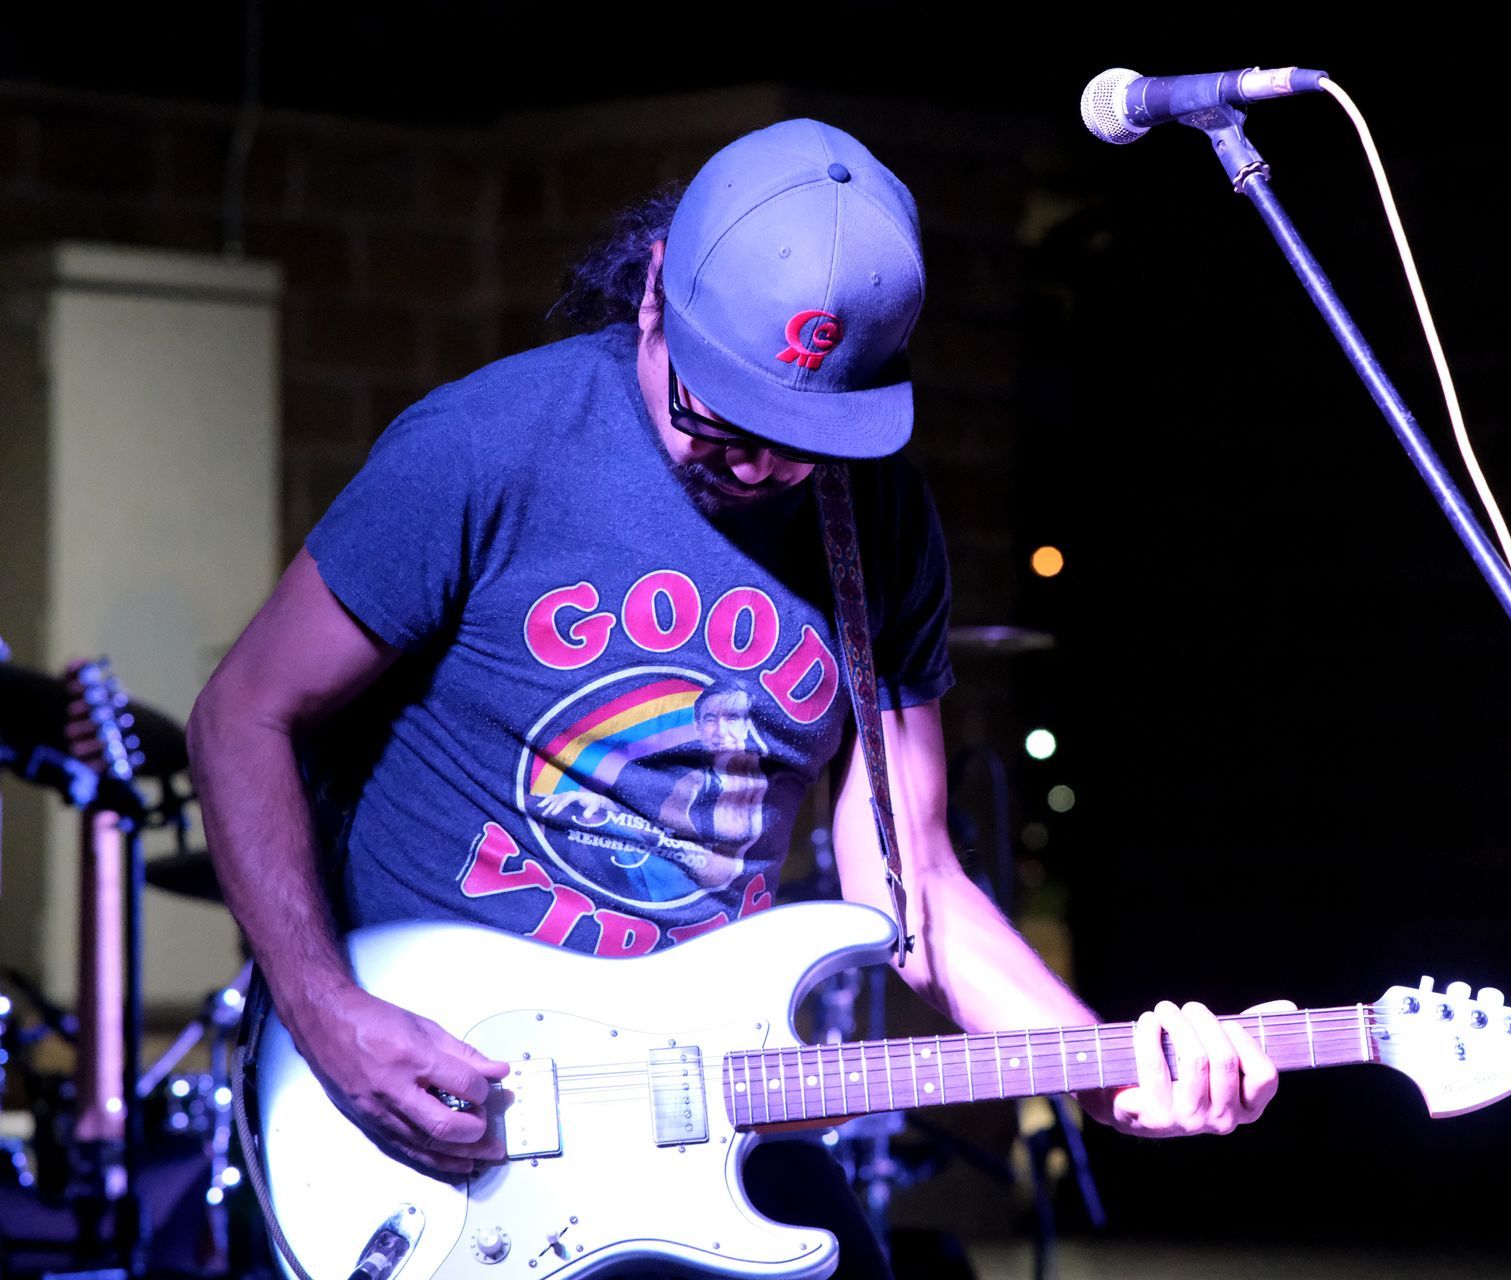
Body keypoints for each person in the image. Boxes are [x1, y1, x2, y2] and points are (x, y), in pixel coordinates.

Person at [187, 118, 1282, 1275]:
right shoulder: (487, 447)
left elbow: (917, 885)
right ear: (654, 291)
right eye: (721, 416)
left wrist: (1103, 1072)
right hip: (448, 1098)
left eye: (802, 440)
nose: (759, 465)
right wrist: (323, 1009)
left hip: (703, 1100)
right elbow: (240, 715)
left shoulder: (879, 523)